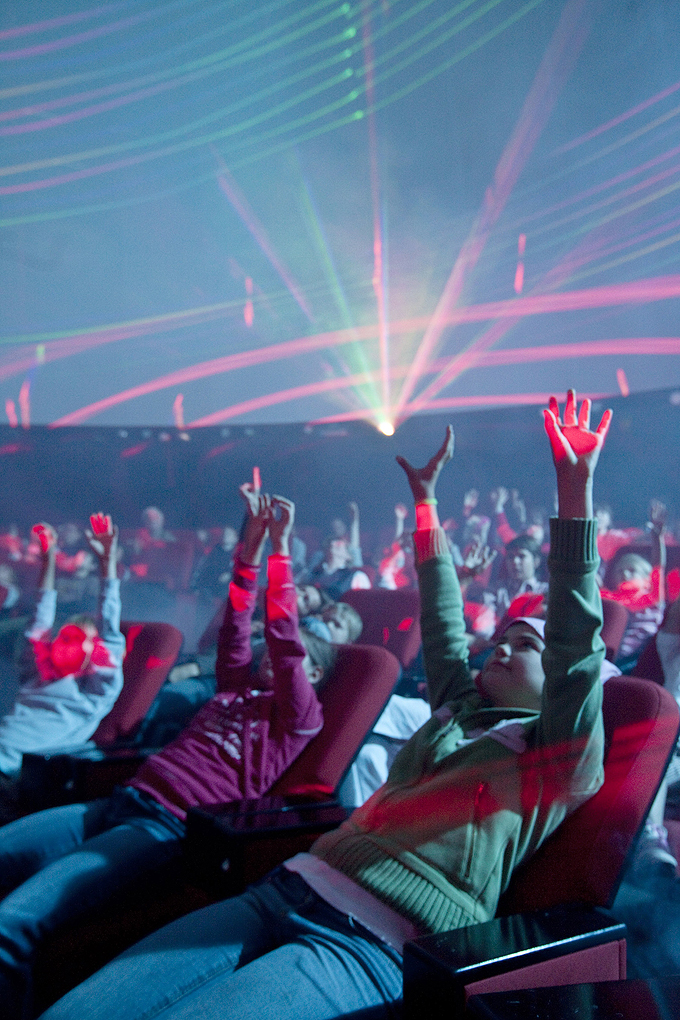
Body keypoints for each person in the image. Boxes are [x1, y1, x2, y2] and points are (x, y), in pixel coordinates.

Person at [40, 390, 611, 1020]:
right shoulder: (461, 709)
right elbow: (445, 623)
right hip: (291, 884)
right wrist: (425, 504)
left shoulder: (560, 750)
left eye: (524, 645)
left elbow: (576, 641)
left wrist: (573, 494)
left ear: (561, 676)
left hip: (369, 939)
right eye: (500, 639)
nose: (500, 649)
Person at [0, 488, 327, 1019]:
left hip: (163, 827)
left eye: (304, 663)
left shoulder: (298, 720)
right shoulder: (233, 689)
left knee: (11, 923)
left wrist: (282, 549)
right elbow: (237, 621)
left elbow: (286, 640)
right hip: (121, 801)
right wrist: (248, 551)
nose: (283, 656)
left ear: (312, 679)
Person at [0, 514, 124, 790]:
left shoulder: (93, 693)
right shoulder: (39, 673)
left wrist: (107, 562)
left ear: (95, 654)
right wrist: (49, 559)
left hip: (14, 778)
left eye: (76, 638)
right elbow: (40, 621)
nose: (63, 642)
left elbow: (109, 627)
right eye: (63, 637)